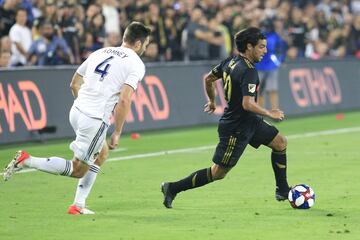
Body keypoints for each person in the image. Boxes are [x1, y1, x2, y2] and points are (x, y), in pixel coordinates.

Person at [3, 22, 151, 215]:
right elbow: (124, 100)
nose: (146, 48)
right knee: (78, 169)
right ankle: (27, 160)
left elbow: (74, 83)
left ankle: (78, 205)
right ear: (138, 44)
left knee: (102, 153)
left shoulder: (100, 52)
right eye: (146, 44)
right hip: (94, 119)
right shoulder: (136, 63)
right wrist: (117, 132)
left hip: (77, 110)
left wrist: (83, 107)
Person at [161, 27, 290, 209]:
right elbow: (247, 104)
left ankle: (282, 190)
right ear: (249, 47)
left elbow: (208, 79)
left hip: (250, 122)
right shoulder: (249, 71)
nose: (265, 51)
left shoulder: (230, 62)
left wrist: (213, 101)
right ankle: (172, 187)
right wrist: (271, 113)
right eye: (261, 47)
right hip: (236, 128)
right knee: (218, 173)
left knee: (280, 143)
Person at [256, 18, 287, 110]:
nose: (265, 28)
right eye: (263, 26)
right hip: (259, 66)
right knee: (259, 90)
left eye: (266, 26)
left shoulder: (275, 37)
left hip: (271, 66)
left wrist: (281, 60)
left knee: (272, 90)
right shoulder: (256, 37)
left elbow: (281, 50)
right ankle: (260, 112)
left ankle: (275, 111)